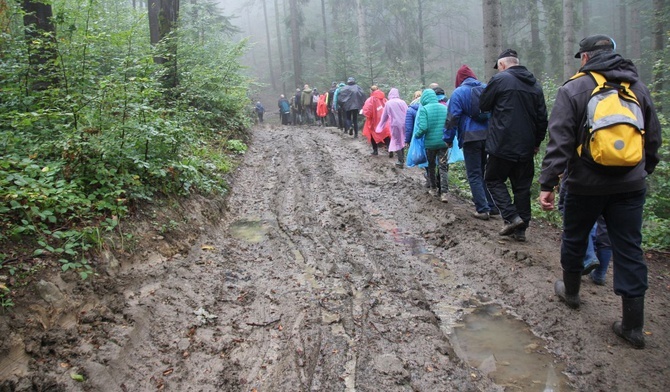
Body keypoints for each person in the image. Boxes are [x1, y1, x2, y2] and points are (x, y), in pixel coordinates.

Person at [538, 34, 661, 349]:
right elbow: (653, 138)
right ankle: (633, 326)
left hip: (585, 185)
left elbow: (560, 140)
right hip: (630, 185)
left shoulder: (574, 89)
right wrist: (641, 172)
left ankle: (572, 293)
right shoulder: (637, 87)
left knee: (576, 237)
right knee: (629, 248)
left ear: (585, 58)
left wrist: (548, 183)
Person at [480, 48, 548, 241]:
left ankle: (511, 217)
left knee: (492, 179)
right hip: (526, 146)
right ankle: (521, 230)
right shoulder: (535, 84)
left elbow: (483, 104)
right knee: (522, 187)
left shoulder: (500, 80)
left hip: (501, 144)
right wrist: (536, 142)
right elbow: (542, 118)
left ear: (502, 65)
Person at [445, 65, 497, 220]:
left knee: (474, 173)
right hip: (488, 136)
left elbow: (452, 118)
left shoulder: (459, 93)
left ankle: (482, 209)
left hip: (470, 137)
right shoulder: (486, 88)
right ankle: (492, 206)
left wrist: (448, 139)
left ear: (459, 79)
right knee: (485, 172)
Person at [414, 88, 449, 202]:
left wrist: (417, 136)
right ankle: (444, 193)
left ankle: (433, 189)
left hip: (430, 144)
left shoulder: (424, 109)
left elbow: (423, 127)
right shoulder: (444, 107)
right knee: (443, 167)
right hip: (443, 142)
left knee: (431, 166)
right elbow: (449, 124)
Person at [377, 88, 408, 167]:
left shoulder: (388, 103)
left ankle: (400, 161)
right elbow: (408, 113)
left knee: (397, 141)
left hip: (395, 124)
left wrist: (380, 126)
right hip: (404, 123)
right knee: (403, 140)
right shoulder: (403, 102)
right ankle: (403, 158)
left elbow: (384, 116)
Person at [362, 86, 391, 155]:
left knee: (372, 134)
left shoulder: (370, 100)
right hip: (384, 120)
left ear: (371, 91)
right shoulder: (384, 99)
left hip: (374, 121)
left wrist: (367, 115)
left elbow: (367, 111)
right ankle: (389, 148)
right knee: (386, 133)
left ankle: (375, 150)